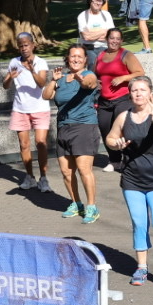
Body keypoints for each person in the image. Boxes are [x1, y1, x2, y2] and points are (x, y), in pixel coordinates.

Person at [105, 76, 153, 291]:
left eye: (142, 90)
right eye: (135, 90)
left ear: (150, 92)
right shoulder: (123, 117)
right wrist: (116, 144)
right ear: (130, 94)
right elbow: (109, 138)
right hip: (132, 179)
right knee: (139, 224)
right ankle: (142, 267)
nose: (138, 93)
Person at [45, 43, 101, 223]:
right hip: (63, 128)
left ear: (85, 60)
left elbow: (89, 83)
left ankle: (92, 206)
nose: (75, 59)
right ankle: (76, 203)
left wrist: (78, 78)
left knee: (84, 170)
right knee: (66, 172)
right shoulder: (61, 78)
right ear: (67, 59)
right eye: (72, 56)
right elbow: (46, 96)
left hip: (84, 127)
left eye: (79, 56)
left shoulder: (88, 74)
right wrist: (53, 80)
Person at [2, 31, 52, 192]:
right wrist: (10, 76)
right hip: (20, 108)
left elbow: (42, 83)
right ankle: (30, 177)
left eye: (26, 45)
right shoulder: (14, 62)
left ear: (33, 45)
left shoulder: (40, 62)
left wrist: (31, 70)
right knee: (24, 145)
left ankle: (43, 178)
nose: (24, 48)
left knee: (41, 143)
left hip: (40, 108)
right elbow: (5, 85)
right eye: (21, 45)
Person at [92, 28, 144, 173]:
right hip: (104, 100)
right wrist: (96, 82)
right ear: (107, 39)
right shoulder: (101, 55)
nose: (114, 41)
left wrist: (123, 78)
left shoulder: (126, 55)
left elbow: (140, 72)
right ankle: (114, 160)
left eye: (117, 39)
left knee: (123, 130)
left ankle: (129, 160)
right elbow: (96, 74)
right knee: (105, 130)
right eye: (111, 38)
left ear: (121, 41)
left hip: (122, 99)